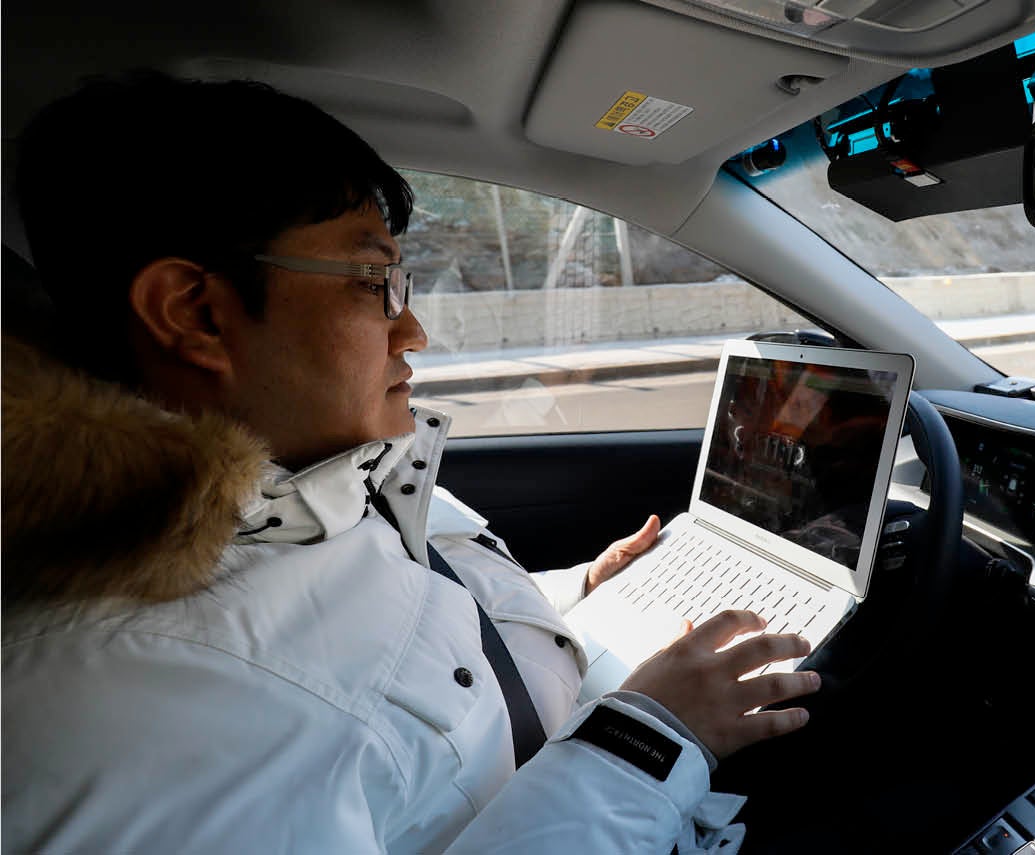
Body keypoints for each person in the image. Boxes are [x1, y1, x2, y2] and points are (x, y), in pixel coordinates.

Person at [1, 72, 820, 853]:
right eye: (372, 281)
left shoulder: (314, 477)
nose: (413, 331)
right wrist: (649, 738)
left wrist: (565, 597)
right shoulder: (134, 708)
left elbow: (413, 630)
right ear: (196, 314)